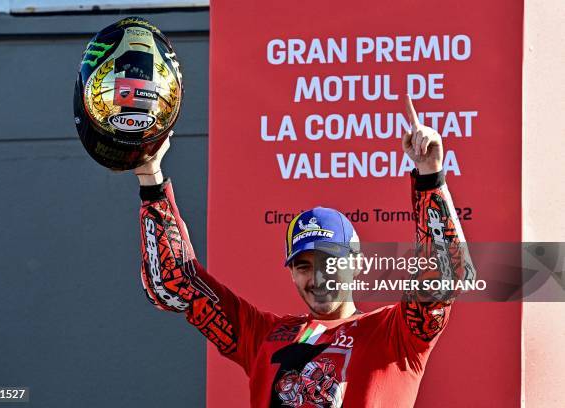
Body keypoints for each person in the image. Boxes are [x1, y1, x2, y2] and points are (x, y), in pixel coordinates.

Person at [134, 96, 474, 407]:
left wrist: (430, 176)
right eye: (303, 265)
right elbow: (176, 282)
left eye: (329, 260)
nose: (317, 276)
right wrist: (151, 176)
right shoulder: (263, 336)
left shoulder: (395, 333)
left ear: (356, 262)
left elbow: (446, 276)